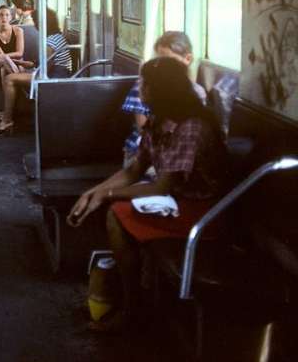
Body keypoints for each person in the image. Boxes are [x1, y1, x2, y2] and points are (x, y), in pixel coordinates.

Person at [66, 57, 227, 331]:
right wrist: (92, 193)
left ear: (161, 89)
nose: (140, 90)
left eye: (145, 85)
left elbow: (160, 187)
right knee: (112, 207)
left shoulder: (191, 127)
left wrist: (107, 196)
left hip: (203, 211)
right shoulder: (158, 120)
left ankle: (133, 309)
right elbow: (134, 170)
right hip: (177, 200)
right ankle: (131, 296)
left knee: (116, 214)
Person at [121, 31, 206, 167]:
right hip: (143, 147)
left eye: (168, 62)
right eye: (157, 60)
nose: (161, 67)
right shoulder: (145, 86)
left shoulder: (197, 93)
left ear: (188, 59)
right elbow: (143, 129)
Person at [0, 7, 72, 136]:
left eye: (36, 21)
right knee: (8, 71)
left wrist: (25, 70)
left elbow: (44, 70)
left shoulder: (50, 41)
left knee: (9, 79)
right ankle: (10, 114)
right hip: (54, 74)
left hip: (53, 80)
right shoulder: (56, 37)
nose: (35, 25)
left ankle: (7, 120)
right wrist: (23, 64)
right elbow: (43, 64)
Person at [0, 5, 25, 84]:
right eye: (1, 15)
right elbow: (2, 56)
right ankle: (22, 84)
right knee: (5, 60)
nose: (4, 17)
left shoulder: (18, 31)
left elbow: (20, 53)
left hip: (15, 62)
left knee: (5, 70)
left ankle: (13, 91)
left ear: (11, 17)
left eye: (7, 15)